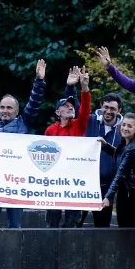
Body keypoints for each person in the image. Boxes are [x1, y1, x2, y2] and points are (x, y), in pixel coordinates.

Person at [0, 59, 48, 229]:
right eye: (2, 107)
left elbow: (34, 105)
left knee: (16, 227)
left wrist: (39, 81)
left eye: (9, 108)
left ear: (17, 111)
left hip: (17, 184)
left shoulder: (22, 124)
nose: (5, 110)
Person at [44, 67, 92, 228]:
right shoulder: (50, 131)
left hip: (75, 182)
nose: (71, 107)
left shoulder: (79, 125)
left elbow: (85, 109)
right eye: (66, 105)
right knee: (52, 222)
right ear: (58, 112)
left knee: (72, 224)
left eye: (72, 105)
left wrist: (84, 88)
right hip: (54, 182)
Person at [83, 92, 123, 228]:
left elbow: (122, 156)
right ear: (101, 106)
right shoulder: (89, 121)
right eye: (106, 107)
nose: (108, 111)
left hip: (106, 187)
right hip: (83, 183)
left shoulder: (123, 130)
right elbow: (76, 108)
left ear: (119, 111)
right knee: (75, 225)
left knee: (102, 228)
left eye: (113, 109)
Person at [100, 113, 135, 229]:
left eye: (129, 126)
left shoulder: (133, 149)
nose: (125, 128)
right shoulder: (125, 144)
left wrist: (108, 196)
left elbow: (120, 173)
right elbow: (119, 155)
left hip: (129, 196)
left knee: (127, 229)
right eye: (123, 125)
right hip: (124, 193)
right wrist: (106, 146)